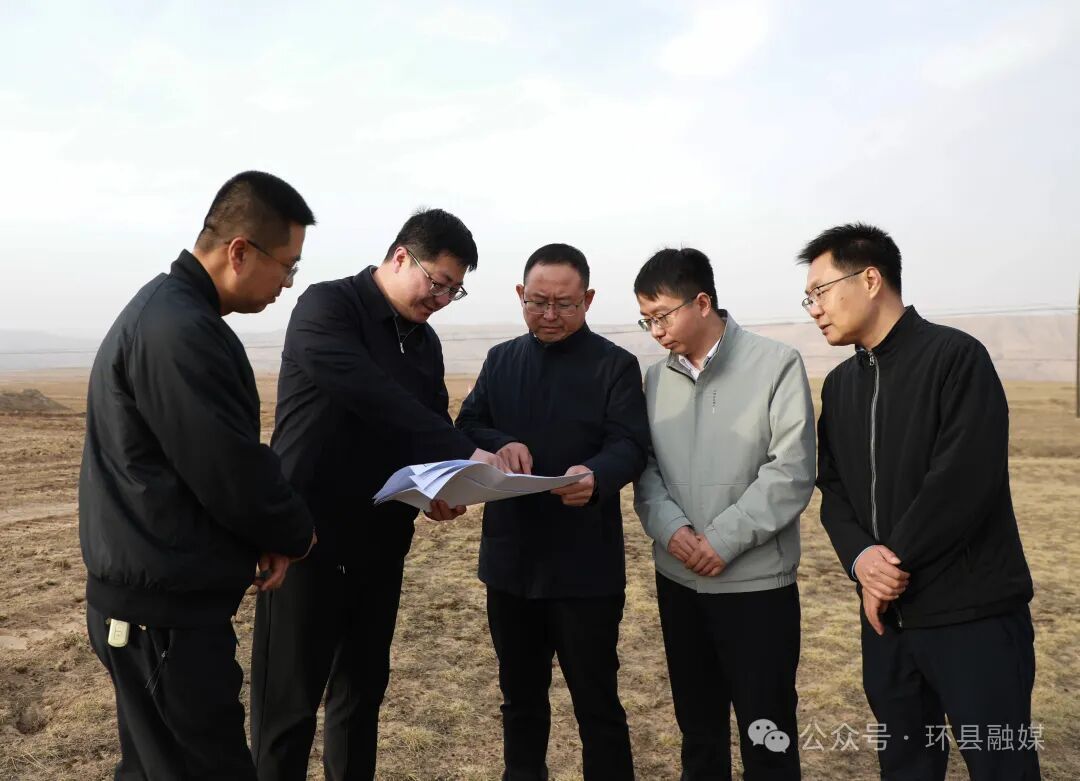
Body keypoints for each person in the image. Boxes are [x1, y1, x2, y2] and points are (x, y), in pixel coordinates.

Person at [250, 208, 506, 780]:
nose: (442, 299)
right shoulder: (327, 306)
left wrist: (444, 485)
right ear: (399, 257)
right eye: (437, 283)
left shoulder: (426, 343)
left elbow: (426, 427)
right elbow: (370, 395)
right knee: (286, 709)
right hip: (305, 543)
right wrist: (462, 450)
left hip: (381, 545)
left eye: (454, 291)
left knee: (360, 699)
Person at [79, 171, 318, 780]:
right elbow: (227, 468)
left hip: (154, 602)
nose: (287, 284)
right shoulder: (180, 330)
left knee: (155, 767)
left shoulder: (172, 313)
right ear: (240, 251)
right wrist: (294, 532)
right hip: (162, 613)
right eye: (287, 266)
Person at [799, 223, 1039, 780]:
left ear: (871, 280)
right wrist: (861, 559)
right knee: (905, 764)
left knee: (1001, 765)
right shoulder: (840, 386)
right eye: (807, 298)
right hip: (887, 623)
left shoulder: (956, 357)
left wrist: (888, 566)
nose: (814, 309)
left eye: (820, 291)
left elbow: (964, 480)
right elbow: (832, 489)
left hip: (972, 614)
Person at [455, 243, 649, 780]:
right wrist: (500, 442)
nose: (549, 314)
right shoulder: (501, 360)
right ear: (521, 294)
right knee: (519, 700)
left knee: (597, 703)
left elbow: (631, 443)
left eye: (564, 304)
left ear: (588, 300)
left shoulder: (615, 365)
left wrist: (597, 474)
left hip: (586, 568)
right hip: (510, 563)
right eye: (537, 301)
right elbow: (467, 425)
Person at [633, 247, 815, 780]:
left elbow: (791, 470)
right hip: (679, 580)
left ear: (702, 302)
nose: (655, 331)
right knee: (698, 730)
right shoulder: (655, 379)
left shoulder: (776, 364)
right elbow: (646, 467)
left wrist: (722, 541)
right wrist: (671, 530)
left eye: (662, 316)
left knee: (767, 729)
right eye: (646, 320)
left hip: (755, 585)